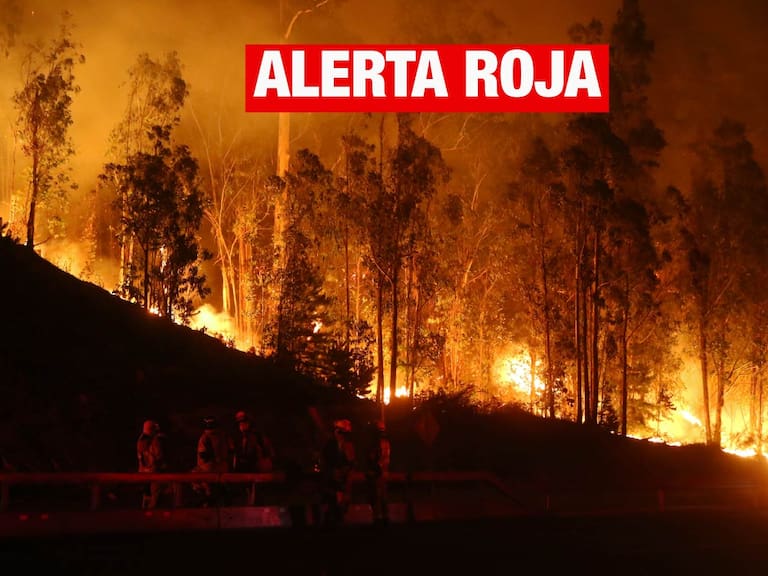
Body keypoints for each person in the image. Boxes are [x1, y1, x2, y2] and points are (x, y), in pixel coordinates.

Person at [231, 410, 275, 504]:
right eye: (240, 423)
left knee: (255, 492)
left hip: (257, 469)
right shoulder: (240, 438)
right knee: (248, 492)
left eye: (244, 422)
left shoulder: (257, 436)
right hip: (247, 471)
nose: (242, 425)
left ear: (249, 422)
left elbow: (268, 453)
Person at [319, 418, 355, 527]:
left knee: (341, 507)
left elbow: (351, 462)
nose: (342, 436)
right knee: (333, 506)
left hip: (342, 481)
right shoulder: (330, 445)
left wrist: (345, 473)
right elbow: (326, 461)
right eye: (341, 432)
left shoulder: (347, 446)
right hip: (332, 482)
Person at [193, 416, 230, 506]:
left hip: (208, 470)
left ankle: (206, 499)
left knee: (193, 476)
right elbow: (231, 450)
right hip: (223, 469)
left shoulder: (204, 437)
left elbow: (203, 455)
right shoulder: (223, 436)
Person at [364, 419, 391, 525]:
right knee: (381, 496)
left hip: (378, 474)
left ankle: (379, 517)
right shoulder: (385, 443)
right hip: (382, 473)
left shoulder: (377, 444)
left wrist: (373, 470)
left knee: (377, 496)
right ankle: (383, 516)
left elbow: (375, 459)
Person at [136, 419, 168, 509]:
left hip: (142, 473)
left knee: (146, 496)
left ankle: (143, 516)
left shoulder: (140, 440)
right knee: (155, 498)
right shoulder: (156, 442)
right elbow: (159, 457)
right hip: (154, 474)